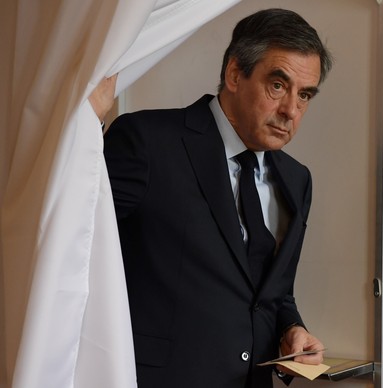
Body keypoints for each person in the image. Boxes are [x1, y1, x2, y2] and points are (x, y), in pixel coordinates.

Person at [99, 8, 333, 388]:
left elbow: (270, 292)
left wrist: (292, 329)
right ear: (234, 74)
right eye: (278, 85)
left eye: (304, 95)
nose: (291, 110)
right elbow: (77, 249)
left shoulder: (297, 180)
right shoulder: (145, 142)